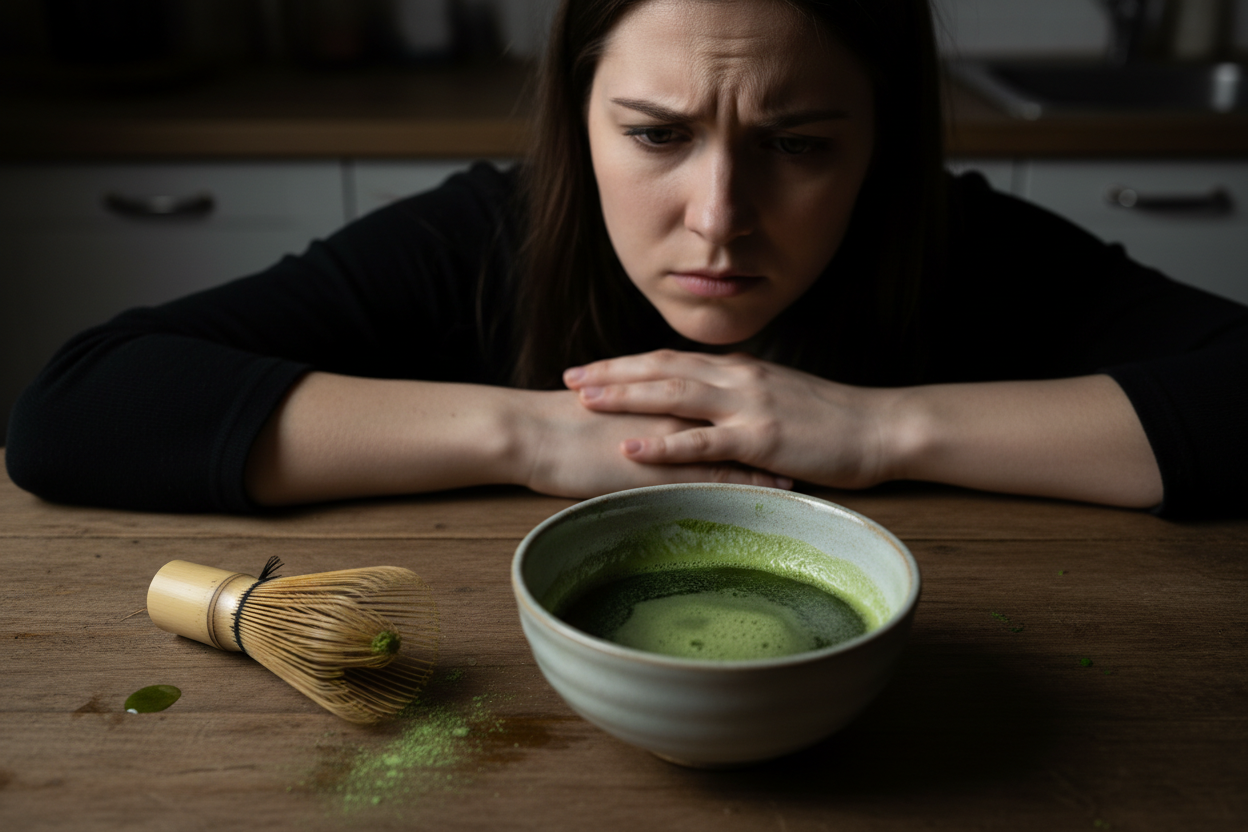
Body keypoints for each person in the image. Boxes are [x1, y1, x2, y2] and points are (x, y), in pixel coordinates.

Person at [6, 0, 1247, 519]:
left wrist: (880, 432)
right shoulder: (484, 236)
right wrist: (539, 437)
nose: (719, 217)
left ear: (884, 140)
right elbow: (77, 407)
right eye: (656, 136)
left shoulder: (964, 241)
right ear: (577, 115)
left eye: (800, 146)